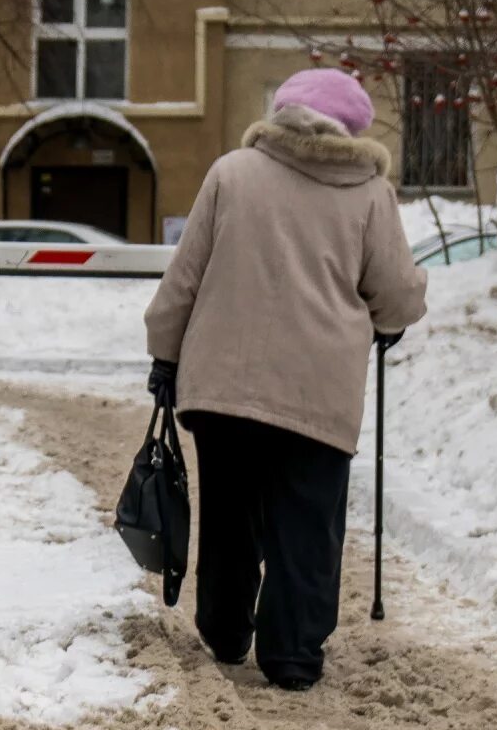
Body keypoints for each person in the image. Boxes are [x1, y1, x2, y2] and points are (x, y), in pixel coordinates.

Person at [143, 67, 428, 691]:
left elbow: (183, 280)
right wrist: (388, 320)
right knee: (307, 523)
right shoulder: (370, 193)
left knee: (230, 511)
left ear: (280, 115)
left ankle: (224, 629)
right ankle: (293, 652)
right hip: (318, 393)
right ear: (355, 130)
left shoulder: (231, 174)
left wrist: (165, 354)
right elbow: (400, 296)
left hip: (223, 387)